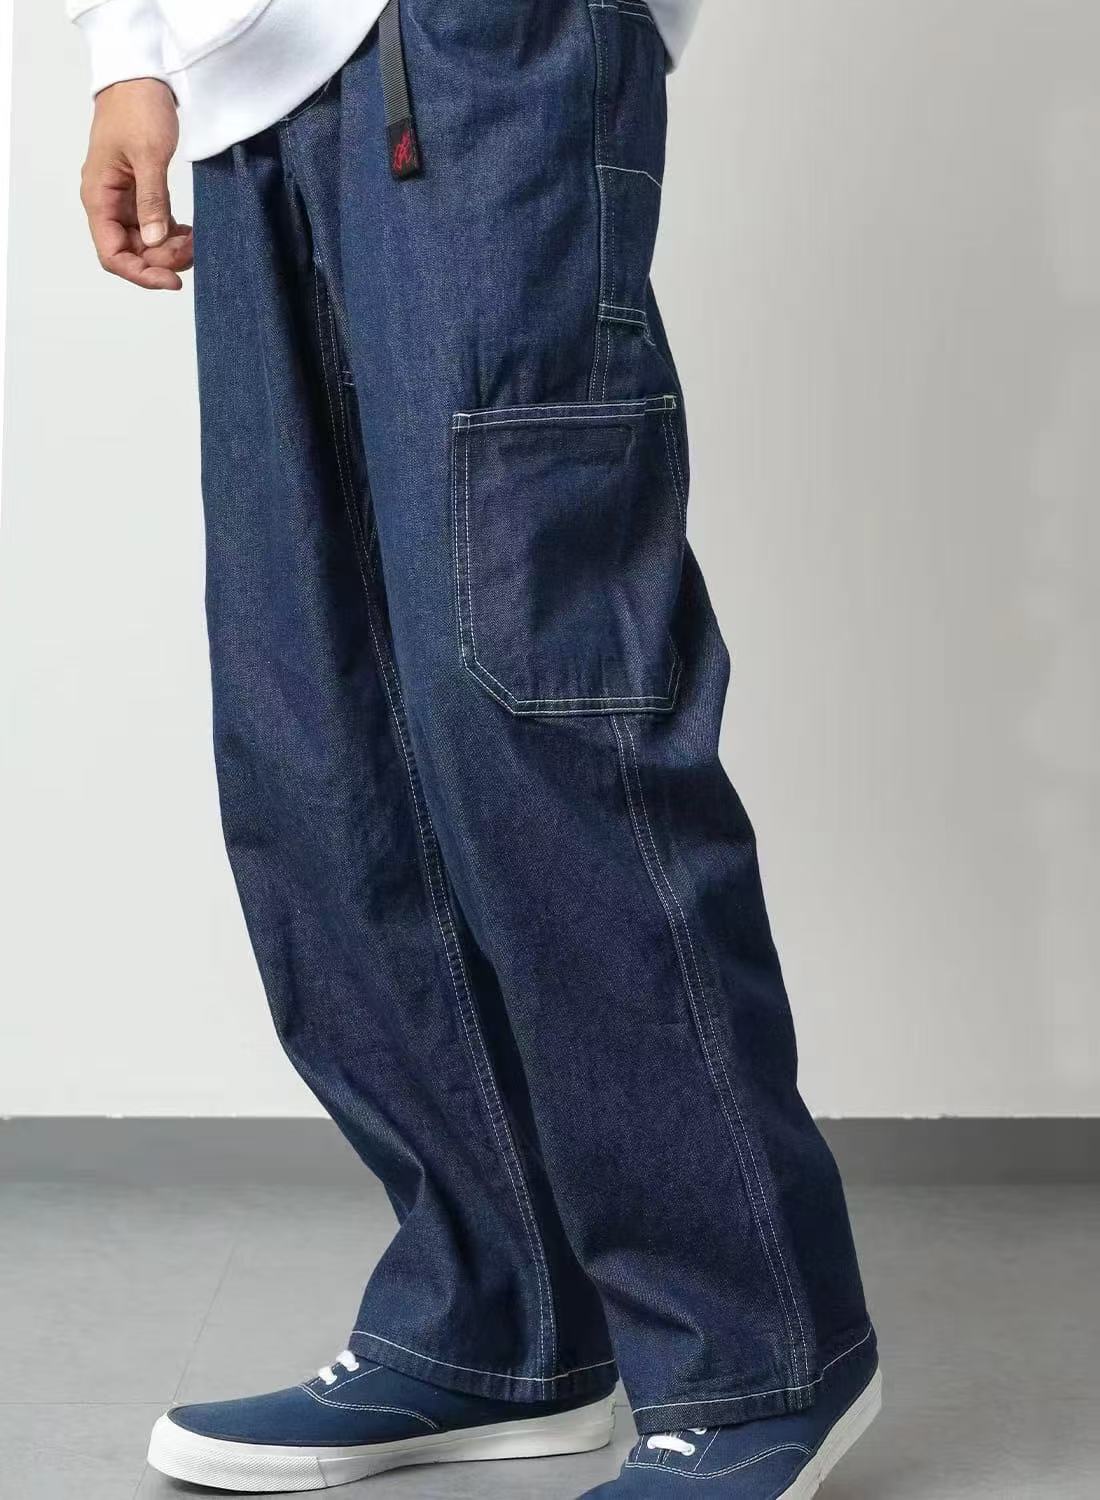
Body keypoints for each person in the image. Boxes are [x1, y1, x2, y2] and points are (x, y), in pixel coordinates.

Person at [71, 1, 881, 1494]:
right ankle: (495, 1322)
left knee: (538, 706)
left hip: (481, 55)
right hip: (243, 95)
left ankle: (757, 1357)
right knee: (321, 737)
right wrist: (127, 49)